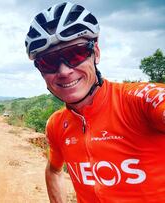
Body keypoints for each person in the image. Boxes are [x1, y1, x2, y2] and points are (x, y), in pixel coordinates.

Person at [25, 2, 165, 202]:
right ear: (41, 70)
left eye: (76, 53)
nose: (64, 71)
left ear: (95, 53)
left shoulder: (139, 101)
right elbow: (54, 171)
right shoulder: (56, 125)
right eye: (49, 61)